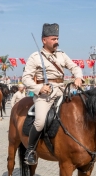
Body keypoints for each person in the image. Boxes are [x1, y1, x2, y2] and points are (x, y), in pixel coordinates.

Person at [22, 23, 83, 165]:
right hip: (45, 94)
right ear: (44, 40)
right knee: (40, 121)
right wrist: (39, 88)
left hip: (62, 91)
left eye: (57, 38)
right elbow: (26, 78)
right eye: (54, 39)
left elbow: (74, 67)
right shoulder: (35, 57)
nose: (57, 41)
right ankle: (30, 150)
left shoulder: (62, 55)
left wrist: (78, 76)